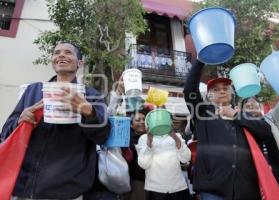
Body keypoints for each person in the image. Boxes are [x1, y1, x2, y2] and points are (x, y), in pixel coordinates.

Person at [1, 42, 110, 199]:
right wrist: (20, 121)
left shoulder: (91, 95)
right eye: (57, 52)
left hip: (67, 191)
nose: (61, 55)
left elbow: (103, 136)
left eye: (68, 52)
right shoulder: (34, 90)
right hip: (23, 187)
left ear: (80, 63)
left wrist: (89, 112)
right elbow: (6, 133)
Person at [184, 60, 273, 200]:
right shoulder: (203, 113)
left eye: (225, 88)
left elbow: (266, 131)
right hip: (214, 189)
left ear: (232, 94)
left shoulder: (244, 115)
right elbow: (189, 90)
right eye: (216, 89)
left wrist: (235, 115)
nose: (221, 91)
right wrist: (201, 60)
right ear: (209, 96)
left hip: (246, 189)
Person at [242, 96, 279, 200]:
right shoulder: (240, 127)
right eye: (247, 105)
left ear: (260, 106)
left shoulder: (271, 118)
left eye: (253, 103)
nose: (250, 105)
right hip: (256, 178)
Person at [136, 120, 191, 200]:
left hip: (178, 187)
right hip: (155, 189)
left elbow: (186, 158)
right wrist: (149, 143)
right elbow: (144, 164)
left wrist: (175, 137)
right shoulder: (144, 138)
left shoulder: (177, 136)